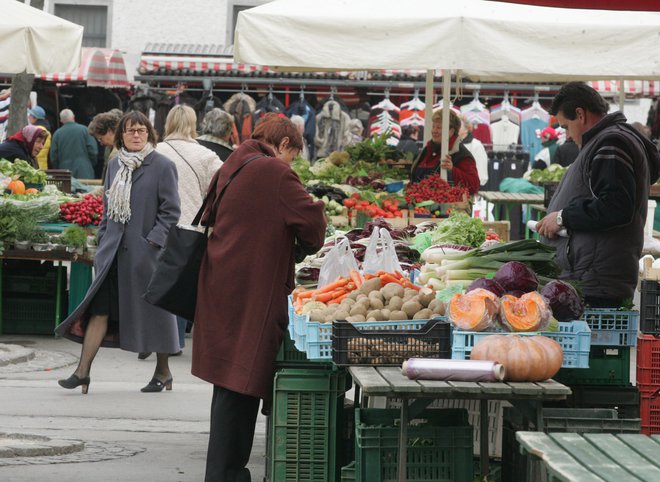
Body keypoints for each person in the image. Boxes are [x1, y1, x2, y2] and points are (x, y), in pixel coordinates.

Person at [192, 114, 326, 482]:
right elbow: (313, 224)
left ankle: (227, 471)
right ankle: (226, 473)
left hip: (222, 282)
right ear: (283, 145)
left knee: (231, 381)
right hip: (251, 289)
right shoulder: (273, 171)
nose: (292, 164)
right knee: (241, 379)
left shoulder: (234, 162)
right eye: (294, 156)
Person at [55, 111, 181, 394]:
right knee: (99, 309)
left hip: (145, 254)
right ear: (121, 136)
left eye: (141, 131)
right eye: (130, 131)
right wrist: (103, 236)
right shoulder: (115, 165)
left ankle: (163, 371)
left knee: (155, 312)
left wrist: (153, 242)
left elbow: (171, 211)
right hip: (113, 252)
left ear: (149, 134)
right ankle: (82, 372)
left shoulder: (163, 166)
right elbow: (108, 206)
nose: (136, 135)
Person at [536, 82, 660, 308]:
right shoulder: (605, 141)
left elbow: (616, 206)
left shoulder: (610, 143)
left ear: (580, 114)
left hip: (595, 280)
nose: (567, 136)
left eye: (565, 126)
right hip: (592, 276)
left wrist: (563, 217)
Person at [154, 104, 222, 357]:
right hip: (191, 229)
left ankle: (153, 337)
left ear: (168, 122)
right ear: (194, 124)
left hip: (158, 226)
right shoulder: (207, 155)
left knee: (156, 281)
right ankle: (175, 340)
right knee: (180, 285)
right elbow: (221, 189)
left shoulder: (153, 152)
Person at [410, 108, 480, 195]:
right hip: (418, 205)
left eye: (439, 127)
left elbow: (474, 185)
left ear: (451, 131)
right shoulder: (427, 150)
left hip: (447, 207)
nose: (434, 131)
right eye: (433, 126)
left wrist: (452, 170)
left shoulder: (461, 154)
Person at [50, 108, 98, 178]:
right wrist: (89, 164)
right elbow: (93, 151)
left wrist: (59, 168)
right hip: (84, 171)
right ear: (73, 117)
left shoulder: (57, 134)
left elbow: (53, 157)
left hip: (64, 173)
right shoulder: (85, 130)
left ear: (61, 120)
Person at [88, 109, 123, 182]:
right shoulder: (114, 149)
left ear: (110, 131)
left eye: (100, 139)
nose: (101, 143)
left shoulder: (116, 154)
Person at [459, 117, 489, 187]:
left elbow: (481, 171)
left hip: (471, 188)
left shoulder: (476, 145)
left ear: (466, 129)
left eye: (459, 125)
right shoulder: (452, 143)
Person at [27, 105, 51, 170]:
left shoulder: (36, 130)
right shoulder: (47, 130)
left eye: (30, 115)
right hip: (43, 166)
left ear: (35, 118)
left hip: (35, 167)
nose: (28, 117)